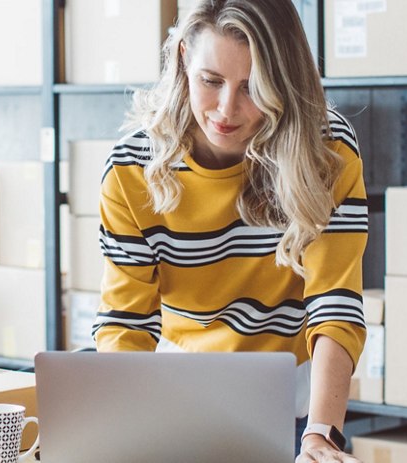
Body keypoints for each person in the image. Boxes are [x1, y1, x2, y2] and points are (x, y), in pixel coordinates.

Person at [91, 1, 367, 461]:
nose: (226, 109)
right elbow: (126, 323)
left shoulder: (326, 151)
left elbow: (335, 303)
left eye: (253, 87)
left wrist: (321, 435)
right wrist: (126, 425)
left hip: (300, 406)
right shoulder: (131, 169)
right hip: (178, 393)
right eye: (211, 81)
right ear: (182, 58)